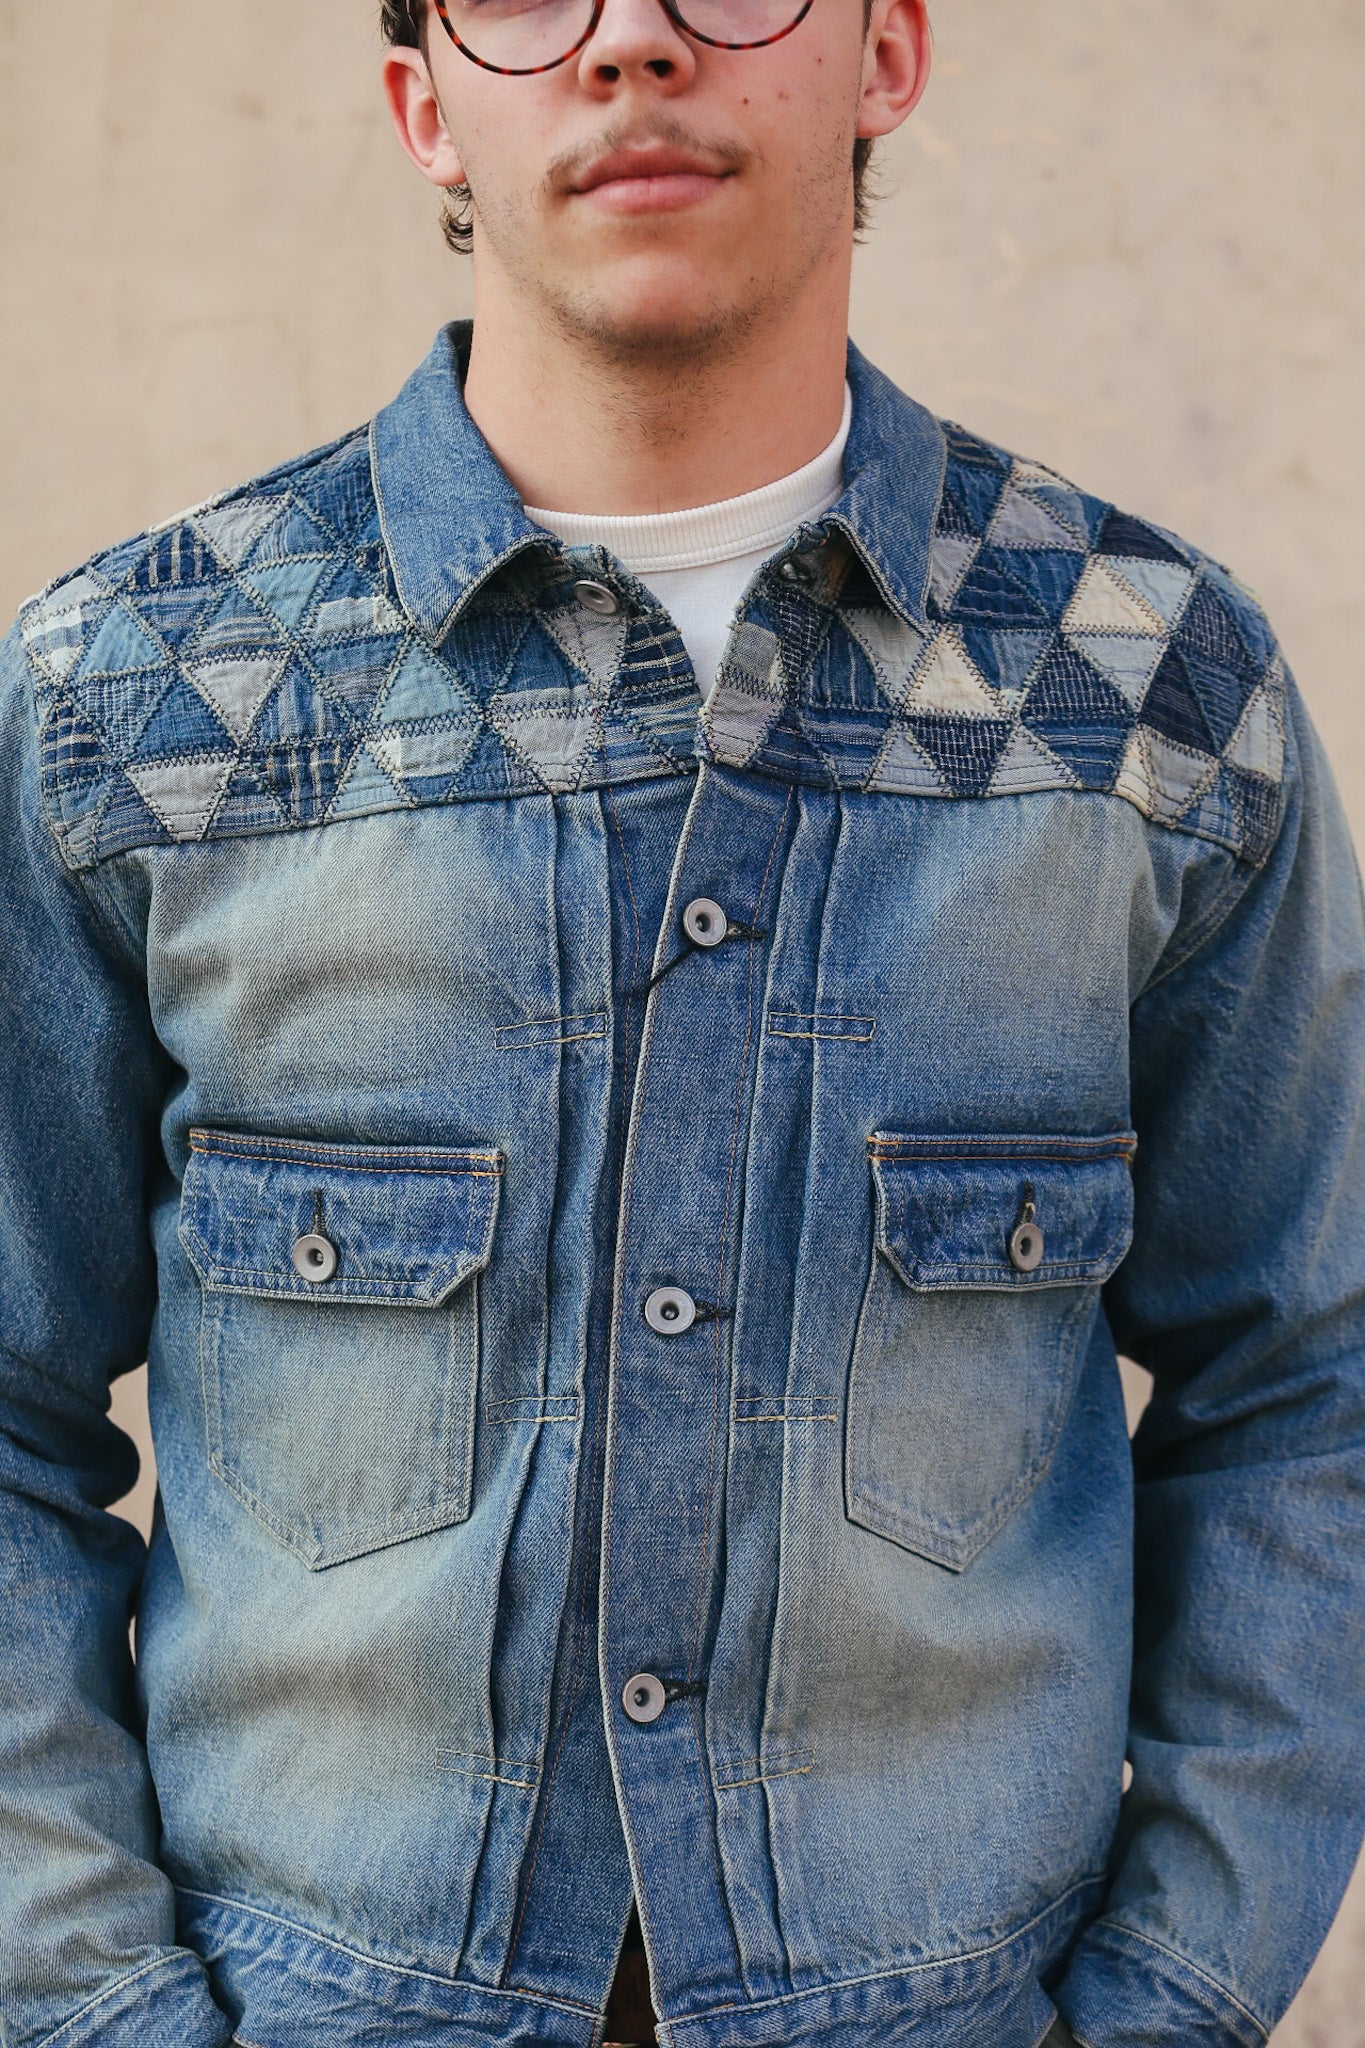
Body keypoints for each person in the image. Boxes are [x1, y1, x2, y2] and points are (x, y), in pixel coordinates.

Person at [1, 1, 1361, 2044]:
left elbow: (1310, 1391)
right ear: (420, 104)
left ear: (886, 55)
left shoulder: (1142, 697)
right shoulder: (142, 696)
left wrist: (1168, 1998)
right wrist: (101, 2009)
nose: (634, 40)